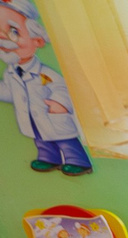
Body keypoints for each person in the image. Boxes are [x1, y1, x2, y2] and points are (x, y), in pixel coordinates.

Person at [0, 4, 88, 175]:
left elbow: (60, 86)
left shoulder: (44, 73)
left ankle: (78, 161)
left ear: (37, 41)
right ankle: (49, 159)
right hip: (32, 118)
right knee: (41, 140)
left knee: (65, 140)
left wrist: (59, 102)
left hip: (51, 114)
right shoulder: (11, 74)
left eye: (13, 32)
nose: (3, 40)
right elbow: (10, 92)